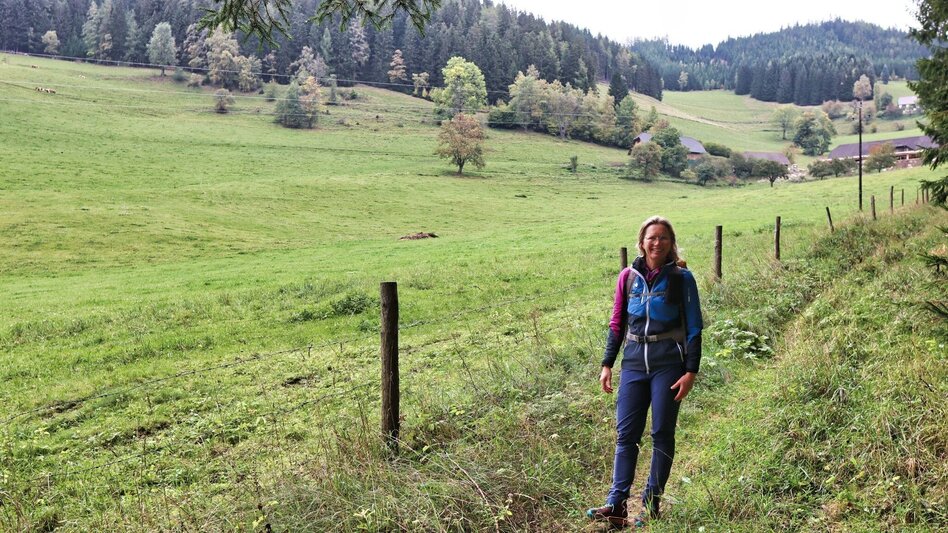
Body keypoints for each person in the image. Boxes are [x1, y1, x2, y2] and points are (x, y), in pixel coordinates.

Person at [586, 215, 703, 528]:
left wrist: (691, 370)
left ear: (670, 243)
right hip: (634, 364)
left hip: (669, 364)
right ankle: (616, 504)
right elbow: (617, 324)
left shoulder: (682, 277)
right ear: (642, 242)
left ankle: (651, 506)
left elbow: (694, 326)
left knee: (662, 434)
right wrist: (607, 363)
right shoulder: (627, 277)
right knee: (626, 435)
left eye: (663, 238)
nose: (657, 243)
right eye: (652, 237)